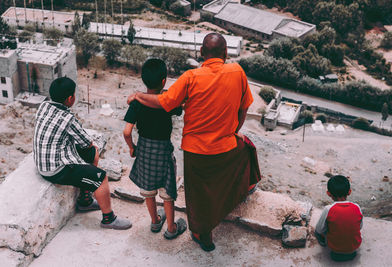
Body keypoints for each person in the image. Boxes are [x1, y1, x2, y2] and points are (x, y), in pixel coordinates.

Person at [127, 33, 261, 251]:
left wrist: (138, 95)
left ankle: (203, 235)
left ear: (201, 53)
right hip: (226, 147)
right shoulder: (237, 72)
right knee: (246, 148)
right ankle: (249, 185)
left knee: (198, 196)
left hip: (196, 152)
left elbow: (165, 102)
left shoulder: (191, 77)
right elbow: (244, 108)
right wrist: (234, 131)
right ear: (226, 53)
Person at [33, 77, 131, 230]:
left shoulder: (44, 106)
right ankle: (108, 219)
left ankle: (85, 200)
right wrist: (92, 148)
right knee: (100, 176)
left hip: (44, 162)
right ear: (70, 99)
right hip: (56, 170)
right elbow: (86, 142)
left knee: (90, 153)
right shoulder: (67, 119)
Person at [123, 58, 187, 239]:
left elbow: (127, 131)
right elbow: (181, 105)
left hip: (143, 150)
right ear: (163, 81)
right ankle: (172, 229)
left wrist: (131, 148)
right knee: (167, 194)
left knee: (148, 191)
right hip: (163, 152)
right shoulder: (166, 101)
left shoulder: (137, 102)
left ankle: (155, 221)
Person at [315, 175, 363, 261]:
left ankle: (325, 243)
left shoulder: (328, 209)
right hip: (354, 247)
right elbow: (360, 227)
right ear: (349, 192)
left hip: (335, 249)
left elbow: (319, 230)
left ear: (328, 193)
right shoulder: (357, 207)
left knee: (318, 231)